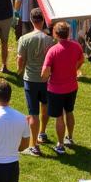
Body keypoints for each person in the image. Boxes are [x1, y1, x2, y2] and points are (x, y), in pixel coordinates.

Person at [41, 22, 85, 155]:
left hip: (55, 90)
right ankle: (69, 138)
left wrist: (46, 76)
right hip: (72, 87)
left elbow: (44, 74)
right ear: (68, 33)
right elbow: (81, 60)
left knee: (59, 117)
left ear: (55, 34)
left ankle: (60, 145)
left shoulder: (53, 51)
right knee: (69, 112)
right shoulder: (76, 46)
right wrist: (74, 69)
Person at [16, 9, 53, 154]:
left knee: (33, 113)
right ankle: (42, 132)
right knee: (45, 106)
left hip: (30, 79)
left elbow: (20, 58)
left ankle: (33, 145)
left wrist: (19, 70)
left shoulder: (24, 39)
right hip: (45, 79)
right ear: (43, 20)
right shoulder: (49, 39)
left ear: (31, 21)